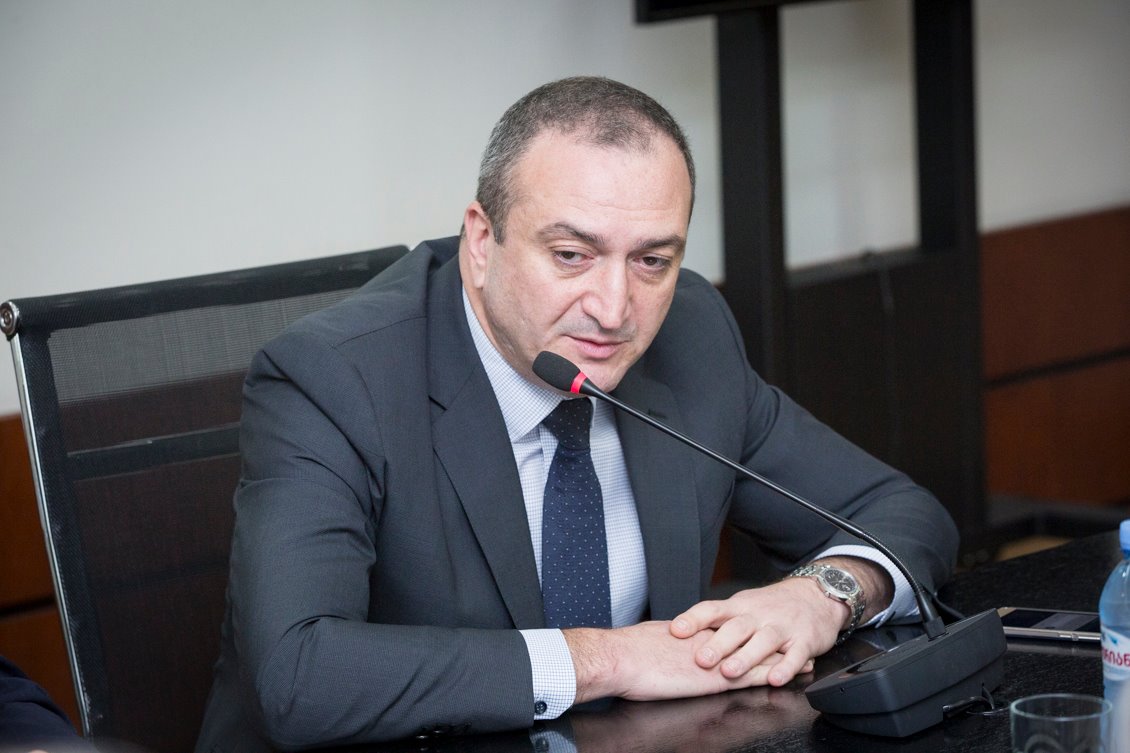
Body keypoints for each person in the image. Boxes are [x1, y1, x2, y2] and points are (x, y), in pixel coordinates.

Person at [195, 76, 957, 751]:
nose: (615, 308)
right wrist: (611, 657)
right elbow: (297, 673)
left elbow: (902, 511)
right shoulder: (336, 378)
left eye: (652, 260)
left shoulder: (690, 333)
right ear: (481, 241)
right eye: (571, 255)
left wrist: (825, 593)